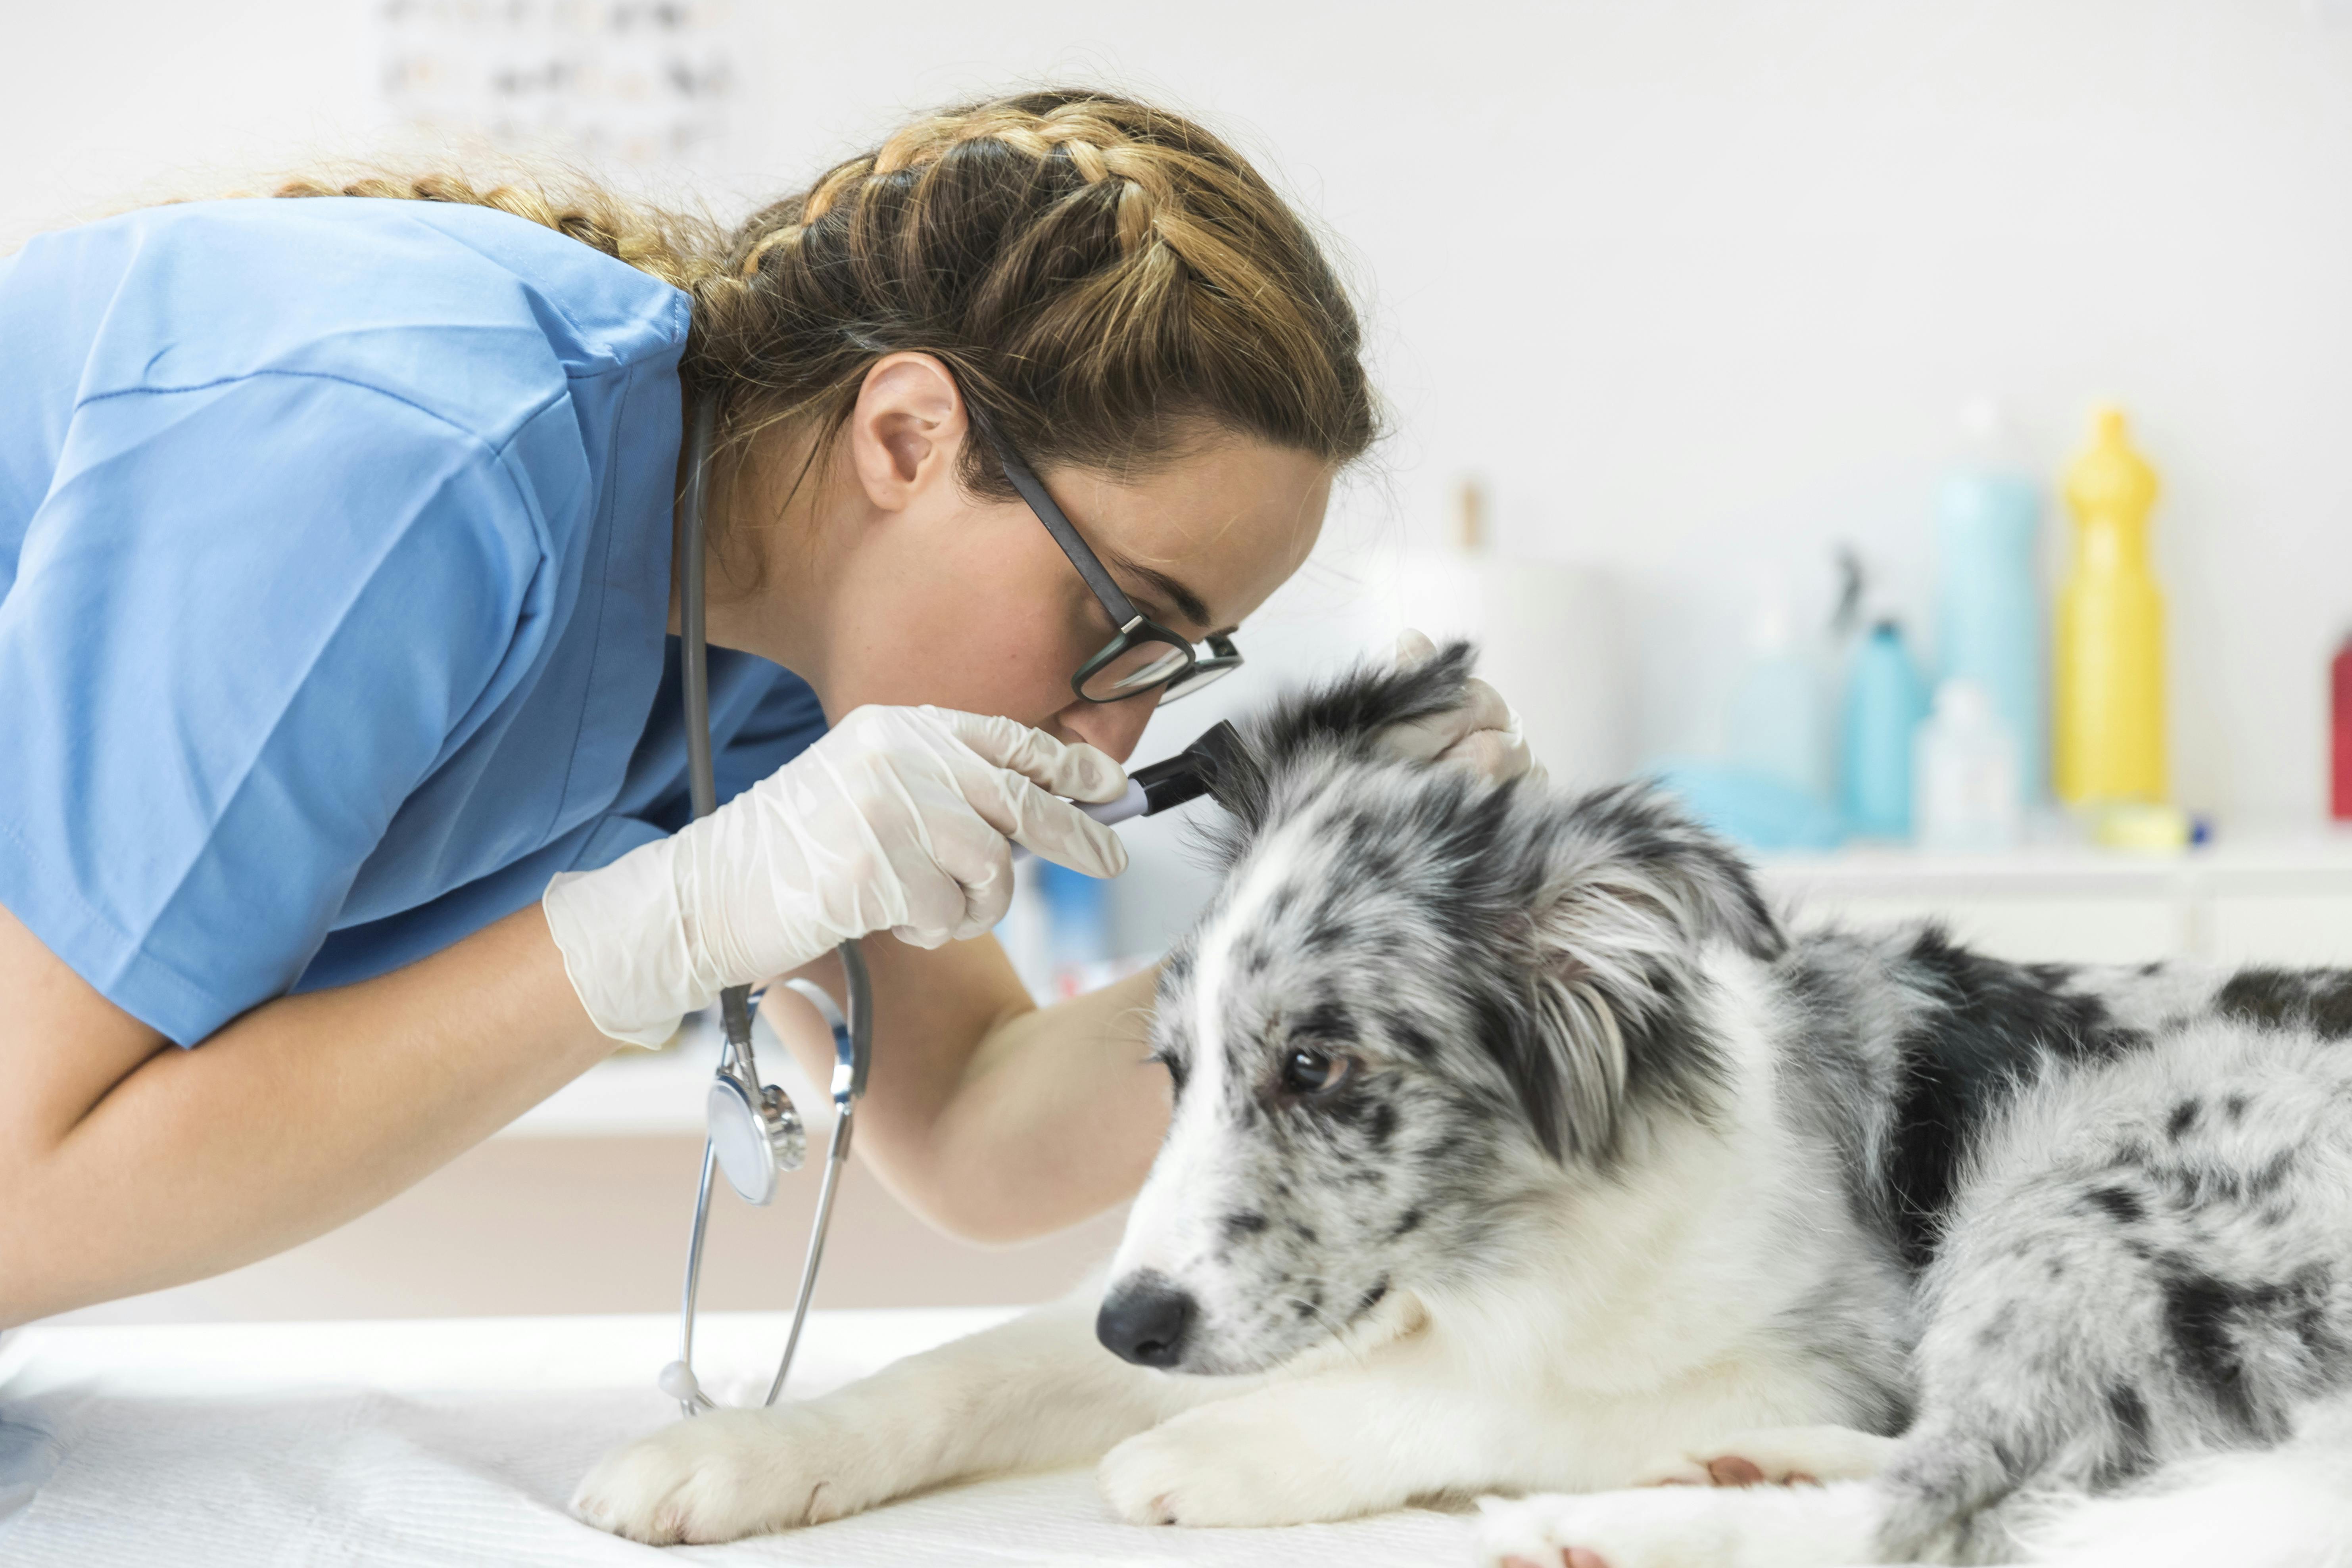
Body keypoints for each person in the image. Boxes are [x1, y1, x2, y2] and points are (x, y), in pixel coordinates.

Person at [0, 90, 1528, 1328]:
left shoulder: (782, 668)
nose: (1108, 739)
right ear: (911, 435)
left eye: (1175, 663)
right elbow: (24, 1195)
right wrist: (657, 925)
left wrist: (1358, 929)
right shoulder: (408, 454)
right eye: (1117, 619)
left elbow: (978, 1130)